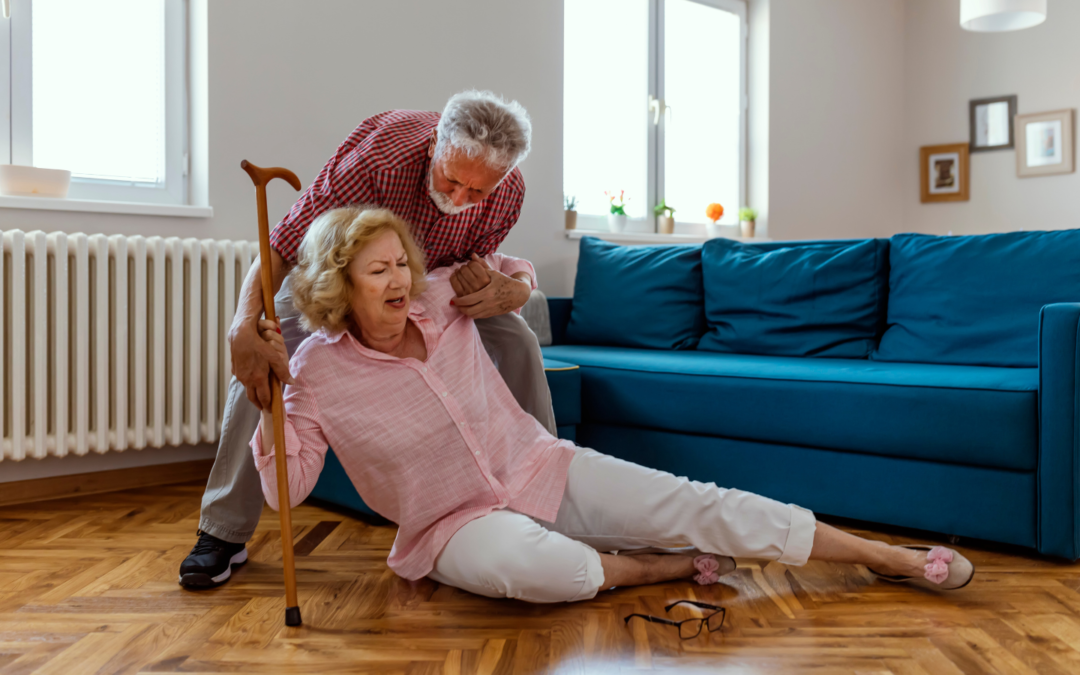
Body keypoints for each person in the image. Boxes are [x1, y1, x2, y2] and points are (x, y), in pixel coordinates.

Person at [248, 207, 975, 604]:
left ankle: (889, 557)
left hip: (538, 465)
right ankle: (659, 568)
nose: (401, 276)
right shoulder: (314, 373)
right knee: (549, 575)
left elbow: (517, 270)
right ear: (340, 286)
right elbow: (286, 490)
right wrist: (270, 406)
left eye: (402, 259)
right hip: (450, 525)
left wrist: (514, 288)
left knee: (700, 499)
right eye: (379, 269)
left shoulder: (443, 294)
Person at [179, 90, 551, 589]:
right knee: (263, 350)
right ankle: (223, 530)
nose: (460, 200)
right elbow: (284, 244)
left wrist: (513, 288)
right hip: (335, 279)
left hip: (430, 283)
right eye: (452, 181)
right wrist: (242, 324)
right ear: (437, 146)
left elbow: (480, 260)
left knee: (520, 341)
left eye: (476, 193)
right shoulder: (382, 157)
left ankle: (548, 491)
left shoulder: (507, 189)